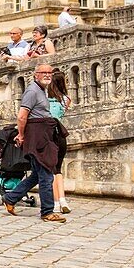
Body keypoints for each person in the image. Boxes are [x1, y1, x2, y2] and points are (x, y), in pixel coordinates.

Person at [3, 64, 67, 222]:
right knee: (46, 175)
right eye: (43, 73)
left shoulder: (41, 90)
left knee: (38, 175)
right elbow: (22, 116)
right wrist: (21, 135)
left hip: (43, 135)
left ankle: (10, 198)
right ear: (35, 75)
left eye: (49, 73)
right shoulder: (32, 91)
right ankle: (47, 211)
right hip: (37, 138)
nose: (47, 75)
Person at [47, 69, 72, 214]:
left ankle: (56, 202)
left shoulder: (45, 99)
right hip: (61, 135)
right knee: (58, 170)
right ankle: (63, 199)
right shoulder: (66, 99)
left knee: (50, 170)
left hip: (49, 135)